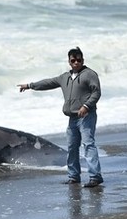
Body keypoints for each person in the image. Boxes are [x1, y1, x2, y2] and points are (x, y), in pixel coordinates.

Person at [18, 47, 103, 188]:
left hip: (86, 116)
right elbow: (48, 83)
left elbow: (96, 92)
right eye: (73, 60)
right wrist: (29, 85)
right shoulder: (65, 77)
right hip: (72, 118)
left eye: (79, 60)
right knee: (72, 147)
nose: (76, 62)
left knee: (88, 145)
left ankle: (95, 177)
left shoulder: (89, 74)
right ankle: (74, 177)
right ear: (69, 61)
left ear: (83, 60)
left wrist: (86, 106)